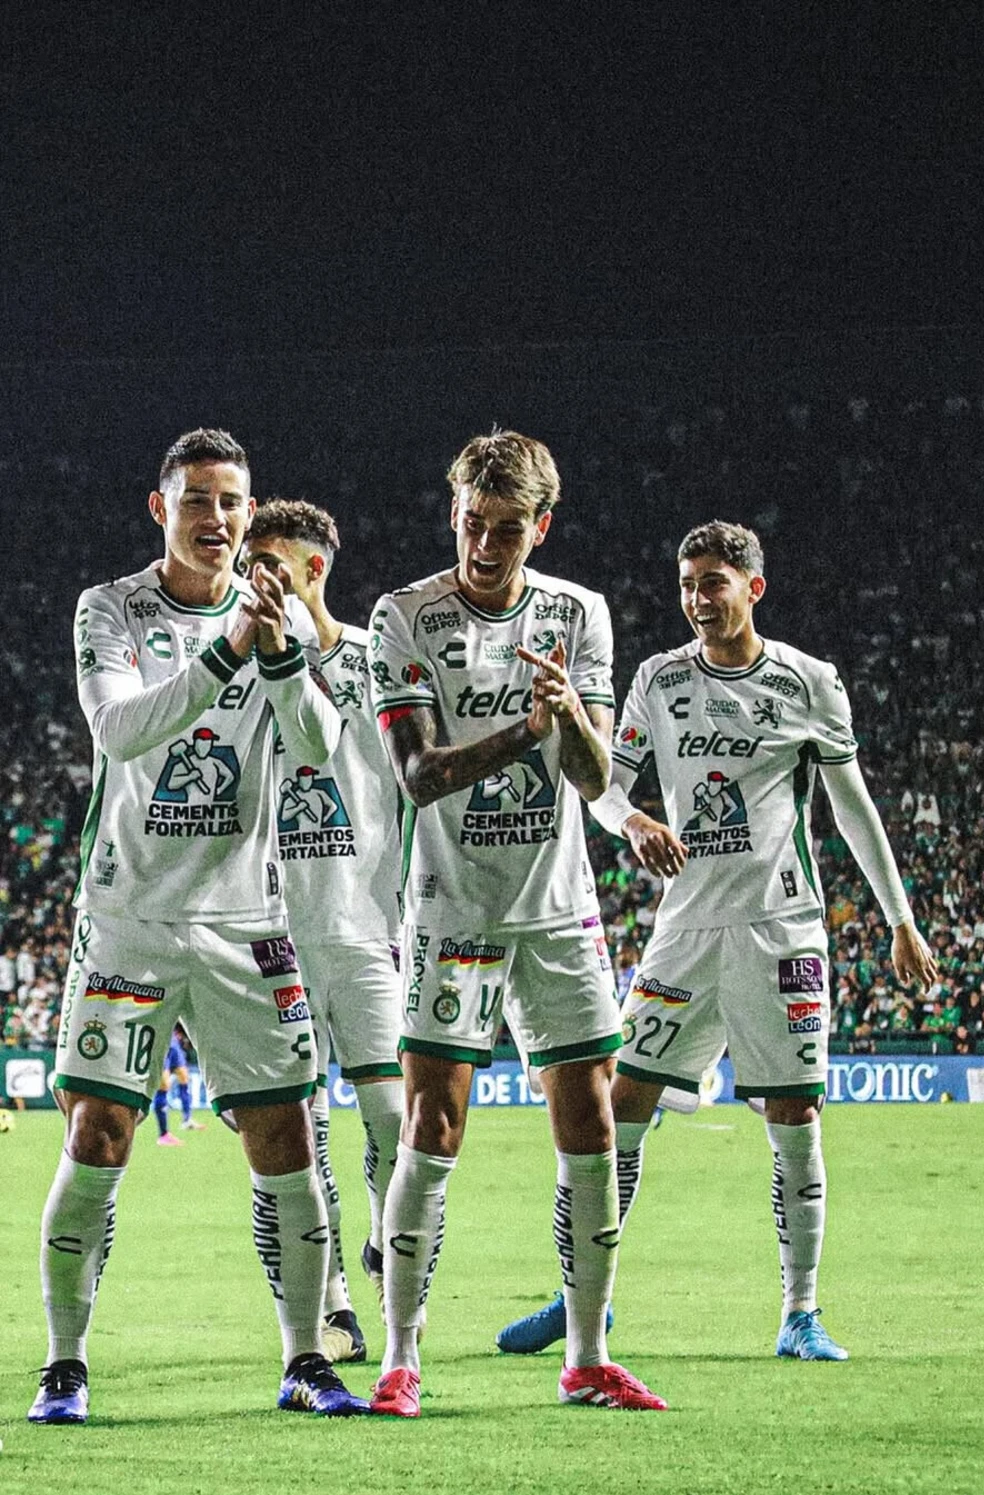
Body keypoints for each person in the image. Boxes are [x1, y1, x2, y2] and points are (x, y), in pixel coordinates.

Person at [498, 521, 937, 1362]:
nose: (699, 597)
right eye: (689, 582)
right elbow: (601, 783)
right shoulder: (659, 681)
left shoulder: (808, 681)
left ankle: (800, 1312)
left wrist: (899, 917)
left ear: (753, 589)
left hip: (780, 929)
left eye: (716, 582)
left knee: (793, 1110)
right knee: (616, 1103)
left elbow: (852, 806)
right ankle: (583, 1297)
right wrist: (630, 821)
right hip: (685, 932)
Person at [29, 429, 369, 1425]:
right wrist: (231, 648)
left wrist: (275, 656)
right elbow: (122, 728)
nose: (217, 520)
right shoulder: (114, 609)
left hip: (242, 923)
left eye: (233, 503)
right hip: (128, 916)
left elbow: (316, 745)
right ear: (160, 508)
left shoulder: (276, 619)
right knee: (97, 1135)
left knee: (287, 1138)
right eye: (199, 500)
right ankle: (65, 1363)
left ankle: (306, 1357)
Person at [366, 430, 665, 1416]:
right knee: (431, 1124)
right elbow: (417, 776)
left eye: (505, 530)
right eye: (470, 525)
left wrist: (572, 719)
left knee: (592, 1124)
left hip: (558, 912)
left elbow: (594, 780)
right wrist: (521, 730)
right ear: (452, 514)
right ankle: (402, 1356)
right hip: (454, 910)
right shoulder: (403, 616)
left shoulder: (580, 614)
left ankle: (585, 1356)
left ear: (541, 526)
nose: (484, 547)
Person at [245, 499, 408, 1366]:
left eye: (270, 561)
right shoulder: (232, 662)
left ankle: (386, 1240)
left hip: (362, 925)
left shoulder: (379, 665)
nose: (254, 575)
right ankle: (335, 1304)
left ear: (315, 571)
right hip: (267, 931)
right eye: (248, 560)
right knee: (295, 1137)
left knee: (394, 1113)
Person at [150, 1022, 203, 1145]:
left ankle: (187, 1119)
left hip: (172, 1040)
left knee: (184, 1076)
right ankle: (163, 1135)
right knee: (164, 1085)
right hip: (159, 1038)